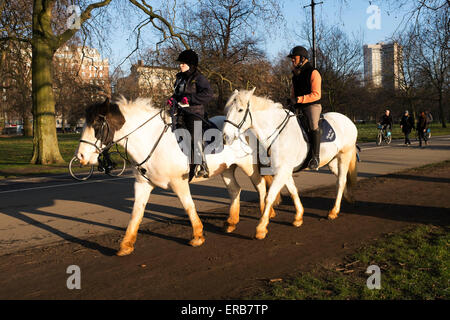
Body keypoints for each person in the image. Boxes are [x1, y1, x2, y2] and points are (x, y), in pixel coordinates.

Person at [167, 49, 213, 178]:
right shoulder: (179, 78)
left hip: (195, 113)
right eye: (180, 63)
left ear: (191, 65)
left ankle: (202, 165)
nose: (180, 65)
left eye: (183, 63)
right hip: (180, 112)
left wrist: (191, 99)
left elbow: (208, 94)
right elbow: (177, 94)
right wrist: (172, 99)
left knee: (194, 136)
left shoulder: (199, 78)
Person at [288, 45, 322, 170]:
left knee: (313, 125)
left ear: (302, 58)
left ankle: (316, 157)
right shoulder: (295, 75)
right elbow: (293, 93)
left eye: (294, 58)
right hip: (298, 106)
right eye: (291, 58)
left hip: (312, 106)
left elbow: (316, 94)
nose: (292, 60)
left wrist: (300, 99)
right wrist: (291, 100)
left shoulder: (314, 72)